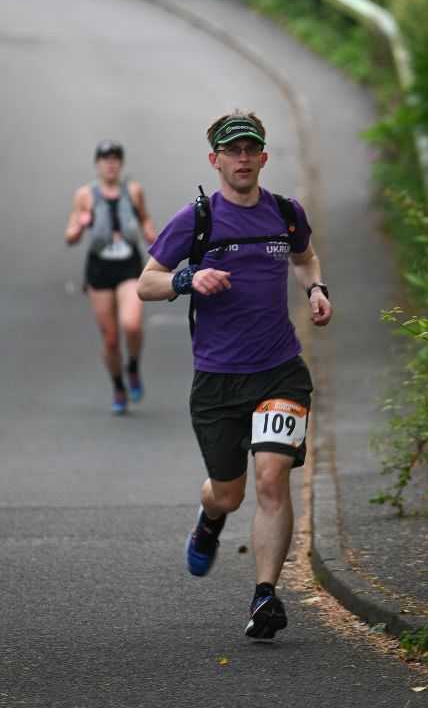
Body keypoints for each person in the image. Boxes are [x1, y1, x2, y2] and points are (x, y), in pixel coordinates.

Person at [137, 111, 333, 639]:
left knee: (272, 480)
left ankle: (264, 596)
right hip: (218, 380)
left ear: (263, 157)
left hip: (280, 372)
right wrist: (189, 276)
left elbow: (306, 258)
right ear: (216, 161)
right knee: (229, 493)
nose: (243, 159)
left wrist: (316, 290)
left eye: (251, 149)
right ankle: (210, 520)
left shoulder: (286, 213)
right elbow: (145, 284)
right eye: (233, 151)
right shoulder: (197, 220)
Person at [65, 140, 156, 414]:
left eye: (115, 158)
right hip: (99, 269)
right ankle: (118, 386)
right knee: (111, 339)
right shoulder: (85, 195)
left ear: (121, 163)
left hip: (129, 265)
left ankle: (133, 367)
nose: (110, 163)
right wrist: (80, 226)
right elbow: (69, 236)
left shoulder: (134, 191)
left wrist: (151, 233)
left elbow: (145, 220)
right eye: (105, 158)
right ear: (97, 163)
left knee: (131, 325)